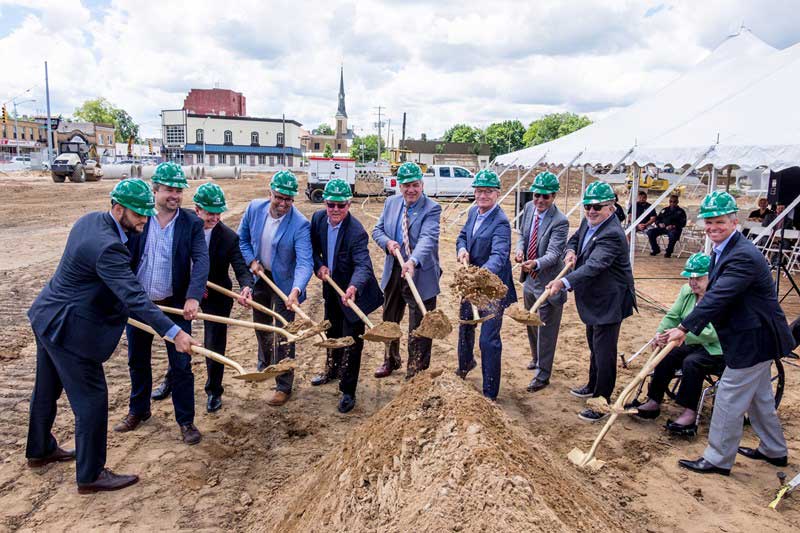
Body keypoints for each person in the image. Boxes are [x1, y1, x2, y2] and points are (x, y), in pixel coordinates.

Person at [26, 178, 199, 494]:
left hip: (46, 315)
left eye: (146, 214)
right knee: (92, 399)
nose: (143, 221)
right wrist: (174, 333)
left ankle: (39, 450)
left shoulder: (90, 221)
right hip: (70, 330)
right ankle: (91, 475)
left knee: (47, 388)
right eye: (137, 215)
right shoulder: (108, 248)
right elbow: (134, 298)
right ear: (118, 208)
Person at [668, 192, 794, 476]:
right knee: (760, 397)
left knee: (727, 396)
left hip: (754, 339)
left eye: (720, 222)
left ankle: (717, 458)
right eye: (709, 222)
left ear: (734, 221)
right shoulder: (724, 249)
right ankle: (774, 450)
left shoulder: (742, 256)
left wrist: (684, 327)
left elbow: (718, 296)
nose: (713, 227)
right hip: (750, 335)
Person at [115, 163, 209, 445]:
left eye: (179, 191)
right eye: (169, 189)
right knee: (138, 360)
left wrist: (193, 295)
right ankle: (138, 410)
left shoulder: (191, 223)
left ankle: (186, 421)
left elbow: (202, 260)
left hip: (175, 305)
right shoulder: (138, 218)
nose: (175, 196)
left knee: (181, 363)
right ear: (154, 189)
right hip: (141, 305)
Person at [155, 183, 252, 413]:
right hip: (182, 292)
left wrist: (247, 286)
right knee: (176, 338)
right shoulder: (181, 223)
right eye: (210, 212)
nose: (215, 218)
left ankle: (214, 391)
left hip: (216, 295)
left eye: (219, 213)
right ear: (197, 209)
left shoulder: (228, 237)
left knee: (214, 344)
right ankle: (171, 380)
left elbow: (240, 267)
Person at [546, 180, 636, 422]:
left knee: (605, 352)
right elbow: (576, 239)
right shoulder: (589, 221)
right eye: (587, 206)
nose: (591, 211)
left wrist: (563, 283)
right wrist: (571, 252)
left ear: (612, 207)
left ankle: (601, 401)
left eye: (597, 206)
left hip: (610, 300)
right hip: (593, 298)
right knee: (594, 346)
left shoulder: (613, 235)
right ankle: (592, 384)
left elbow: (595, 265)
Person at [626, 253, 724, 436]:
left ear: (711, 276)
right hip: (690, 340)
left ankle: (689, 411)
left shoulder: (719, 296)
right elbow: (673, 316)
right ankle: (654, 401)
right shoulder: (686, 292)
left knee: (692, 363)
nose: (693, 282)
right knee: (667, 354)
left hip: (717, 348)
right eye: (690, 277)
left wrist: (682, 334)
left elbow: (714, 333)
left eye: (698, 278)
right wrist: (661, 334)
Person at [238, 170, 313, 406]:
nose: (283, 204)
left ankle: (284, 384)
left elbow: (304, 261)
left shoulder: (299, 224)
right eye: (279, 197)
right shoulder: (254, 209)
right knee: (261, 326)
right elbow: (242, 239)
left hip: (285, 284)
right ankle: (266, 364)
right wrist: (251, 261)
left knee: (284, 333)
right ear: (270, 192)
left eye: (288, 199)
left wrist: (297, 290)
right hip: (259, 277)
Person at [309, 179, 383, 413]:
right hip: (331, 287)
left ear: (349, 205)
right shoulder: (318, 220)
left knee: (352, 341)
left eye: (341, 205)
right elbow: (312, 250)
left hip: (354, 293)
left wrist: (353, 287)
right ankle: (332, 369)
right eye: (331, 205)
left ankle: (348, 390)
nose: (335, 210)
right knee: (332, 331)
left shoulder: (356, 232)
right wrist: (319, 265)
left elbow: (364, 266)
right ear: (325, 203)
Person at [372, 162, 442, 379]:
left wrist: (412, 261)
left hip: (419, 273)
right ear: (399, 186)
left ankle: (417, 370)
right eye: (406, 185)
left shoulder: (432, 208)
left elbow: (427, 239)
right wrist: (387, 243)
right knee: (390, 319)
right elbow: (377, 230)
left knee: (419, 325)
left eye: (415, 185)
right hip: (394, 270)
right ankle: (390, 359)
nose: (410, 190)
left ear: (422, 184)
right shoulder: (391, 203)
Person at [455, 169, 517, 400]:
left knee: (488, 339)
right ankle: (465, 365)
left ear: (497, 194)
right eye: (479, 191)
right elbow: (462, 236)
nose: (482, 196)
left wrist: (478, 277)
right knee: (466, 325)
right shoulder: (473, 212)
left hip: (491, 287)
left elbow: (499, 257)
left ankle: (490, 390)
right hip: (470, 280)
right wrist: (462, 249)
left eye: (488, 192)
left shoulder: (500, 222)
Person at [514, 171, 568, 391]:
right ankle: (536, 358)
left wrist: (534, 263)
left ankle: (543, 375)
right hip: (529, 280)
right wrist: (519, 250)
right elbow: (523, 235)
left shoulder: (560, 221)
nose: (540, 201)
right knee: (530, 322)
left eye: (545, 197)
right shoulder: (528, 209)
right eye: (537, 195)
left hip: (548, 282)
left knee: (546, 329)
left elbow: (555, 254)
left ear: (553, 196)